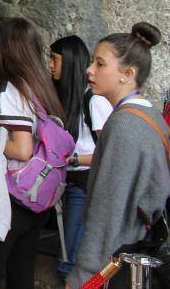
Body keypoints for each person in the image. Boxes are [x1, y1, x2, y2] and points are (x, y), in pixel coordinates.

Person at [0, 18, 65, 289]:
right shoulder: (40, 88)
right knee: (21, 276)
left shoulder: (12, 90)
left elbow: (22, 148)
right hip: (35, 203)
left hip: (10, 199)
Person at [67, 23, 170, 289]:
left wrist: (85, 276)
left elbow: (108, 213)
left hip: (114, 265)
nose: (90, 70)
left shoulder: (124, 125)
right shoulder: (150, 116)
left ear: (127, 73)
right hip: (133, 254)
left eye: (100, 64)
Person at [48, 36, 113, 282]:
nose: (50, 65)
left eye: (55, 59)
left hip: (85, 186)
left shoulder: (93, 100)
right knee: (67, 252)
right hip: (70, 183)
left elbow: (109, 151)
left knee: (71, 257)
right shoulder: (68, 97)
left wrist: (73, 159)